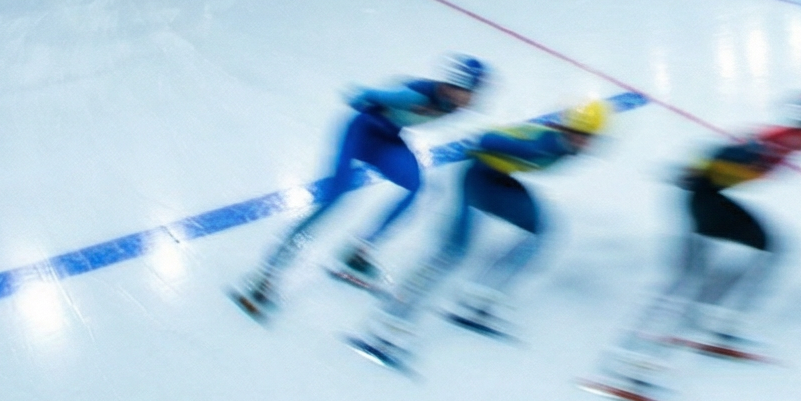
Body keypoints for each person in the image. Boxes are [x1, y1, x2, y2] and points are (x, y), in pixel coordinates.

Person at [348, 92, 646, 370]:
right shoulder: (545, 144)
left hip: (497, 179)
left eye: (588, 138)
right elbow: (487, 139)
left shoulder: (563, 147)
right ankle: (385, 326)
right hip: (473, 178)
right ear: (568, 128)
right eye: (579, 135)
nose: (583, 144)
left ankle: (478, 300)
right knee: (450, 253)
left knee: (541, 231)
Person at [586, 94, 801, 401]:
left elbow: (730, 152)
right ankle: (630, 365)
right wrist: (702, 167)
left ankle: (709, 323)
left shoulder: (789, 143)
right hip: (702, 197)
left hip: (708, 196)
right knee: (684, 282)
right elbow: (728, 151)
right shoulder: (783, 139)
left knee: (764, 249)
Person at [231, 55, 489, 318]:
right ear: (454, 87)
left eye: (474, 93)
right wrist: (369, 97)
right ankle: (266, 275)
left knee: (415, 186)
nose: (472, 99)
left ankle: (360, 251)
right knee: (333, 201)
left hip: (387, 139)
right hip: (360, 132)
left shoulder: (451, 105)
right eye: (469, 91)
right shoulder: (417, 97)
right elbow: (363, 94)